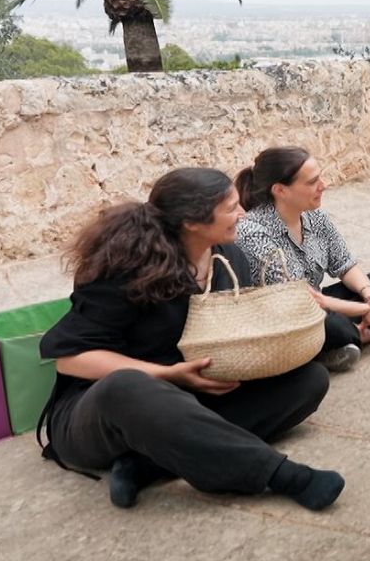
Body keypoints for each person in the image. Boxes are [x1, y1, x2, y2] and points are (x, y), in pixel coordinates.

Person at [37, 168, 342, 511]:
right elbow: (69, 358)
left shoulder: (229, 257)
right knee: (127, 384)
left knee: (308, 380)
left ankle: (147, 464)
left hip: (187, 396)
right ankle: (284, 475)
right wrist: (168, 374)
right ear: (192, 222)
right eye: (231, 208)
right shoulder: (128, 268)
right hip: (107, 410)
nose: (242, 214)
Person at [235, 146, 370, 374]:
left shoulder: (314, 215)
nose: (323, 185)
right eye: (312, 182)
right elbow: (300, 299)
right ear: (280, 190)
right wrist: (364, 309)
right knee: (332, 324)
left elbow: (344, 263)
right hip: (286, 317)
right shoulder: (253, 232)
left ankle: (348, 339)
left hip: (320, 304)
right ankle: (363, 332)